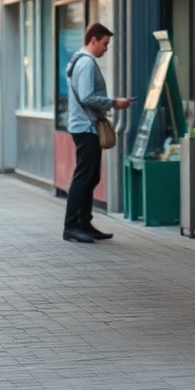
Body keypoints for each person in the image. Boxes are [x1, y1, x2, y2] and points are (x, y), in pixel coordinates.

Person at [63, 23, 133, 243]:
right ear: (93, 40)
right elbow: (86, 96)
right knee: (84, 177)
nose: (106, 48)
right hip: (86, 127)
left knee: (91, 177)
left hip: (83, 126)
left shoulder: (77, 60)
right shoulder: (86, 64)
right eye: (105, 43)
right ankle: (72, 226)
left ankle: (84, 223)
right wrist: (114, 103)